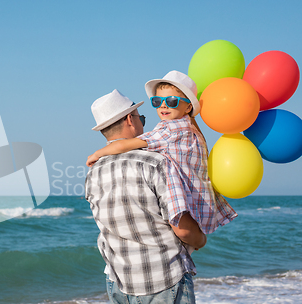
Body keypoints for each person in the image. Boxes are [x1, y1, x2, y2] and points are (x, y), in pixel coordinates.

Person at [85, 88, 206, 304]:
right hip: (164, 279)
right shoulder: (156, 162)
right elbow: (182, 228)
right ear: (130, 119)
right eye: (142, 118)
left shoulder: (92, 172)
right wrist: (200, 239)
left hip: (118, 282)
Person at [86, 71, 237, 240]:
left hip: (187, 203)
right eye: (157, 101)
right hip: (201, 203)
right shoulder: (187, 131)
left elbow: (124, 144)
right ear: (129, 119)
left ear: (188, 107)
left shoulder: (169, 131)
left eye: (171, 101)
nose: (163, 106)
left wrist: (97, 153)